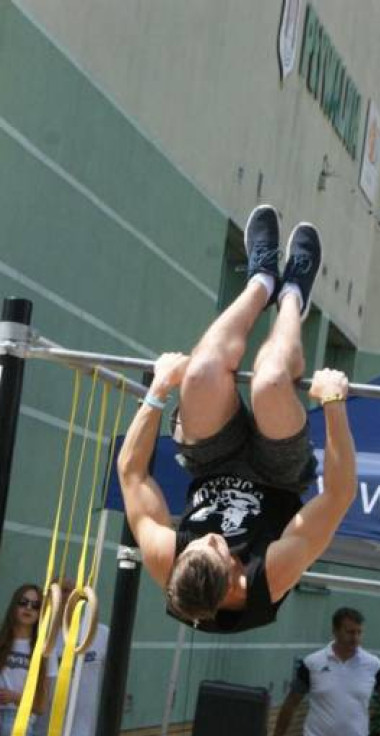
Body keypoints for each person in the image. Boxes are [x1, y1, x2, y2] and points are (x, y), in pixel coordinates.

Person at [116, 204, 357, 633]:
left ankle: (261, 280)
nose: (206, 536)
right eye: (216, 546)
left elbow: (132, 473)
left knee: (202, 372)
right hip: (278, 475)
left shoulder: (166, 558)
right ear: (235, 577)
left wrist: (157, 392)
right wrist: (334, 404)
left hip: (211, 461)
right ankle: (292, 296)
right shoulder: (271, 574)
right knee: (269, 382)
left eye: (195, 544)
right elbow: (338, 494)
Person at [270, 607, 380, 736]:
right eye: (350, 632)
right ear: (335, 631)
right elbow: (291, 703)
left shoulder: (373, 665)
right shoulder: (313, 663)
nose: (356, 638)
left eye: (359, 632)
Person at [29, 580, 109, 736]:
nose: (64, 596)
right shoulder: (40, 631)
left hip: (77, 731)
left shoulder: (100, 633)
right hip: (40, 728)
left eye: (68, 591)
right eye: (58, 591)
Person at [0, 583, 53, 736]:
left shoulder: (44, 650)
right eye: (23, 602)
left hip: (20, 722)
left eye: (35, 605)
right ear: (14, 606)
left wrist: (14, 697)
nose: (28, 608)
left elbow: (41, 706)